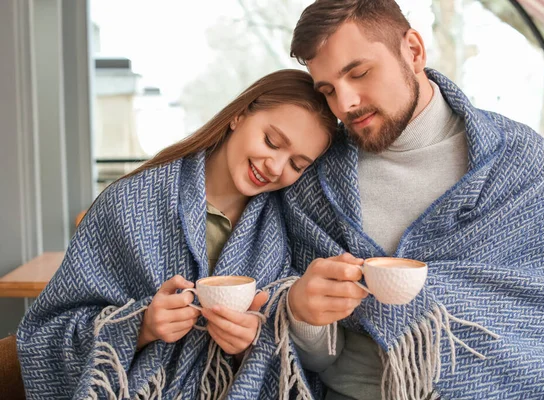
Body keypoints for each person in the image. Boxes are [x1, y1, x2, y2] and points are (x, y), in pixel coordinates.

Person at [280, 1, 544, 399]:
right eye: (327, 90)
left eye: (359, 73)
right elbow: (311, 359)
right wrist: (305, 317)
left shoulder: (520, 160)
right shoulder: (314, 180)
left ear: (413, 50)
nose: (345, 104)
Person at [17, 69, 337, 399]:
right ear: (239, 115)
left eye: (296, 165)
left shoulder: (289, 229)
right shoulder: (127, 203)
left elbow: (311, 360)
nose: (275, 166)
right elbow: (43, 337)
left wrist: (252, 345)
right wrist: (140, 325)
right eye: (271, 141)